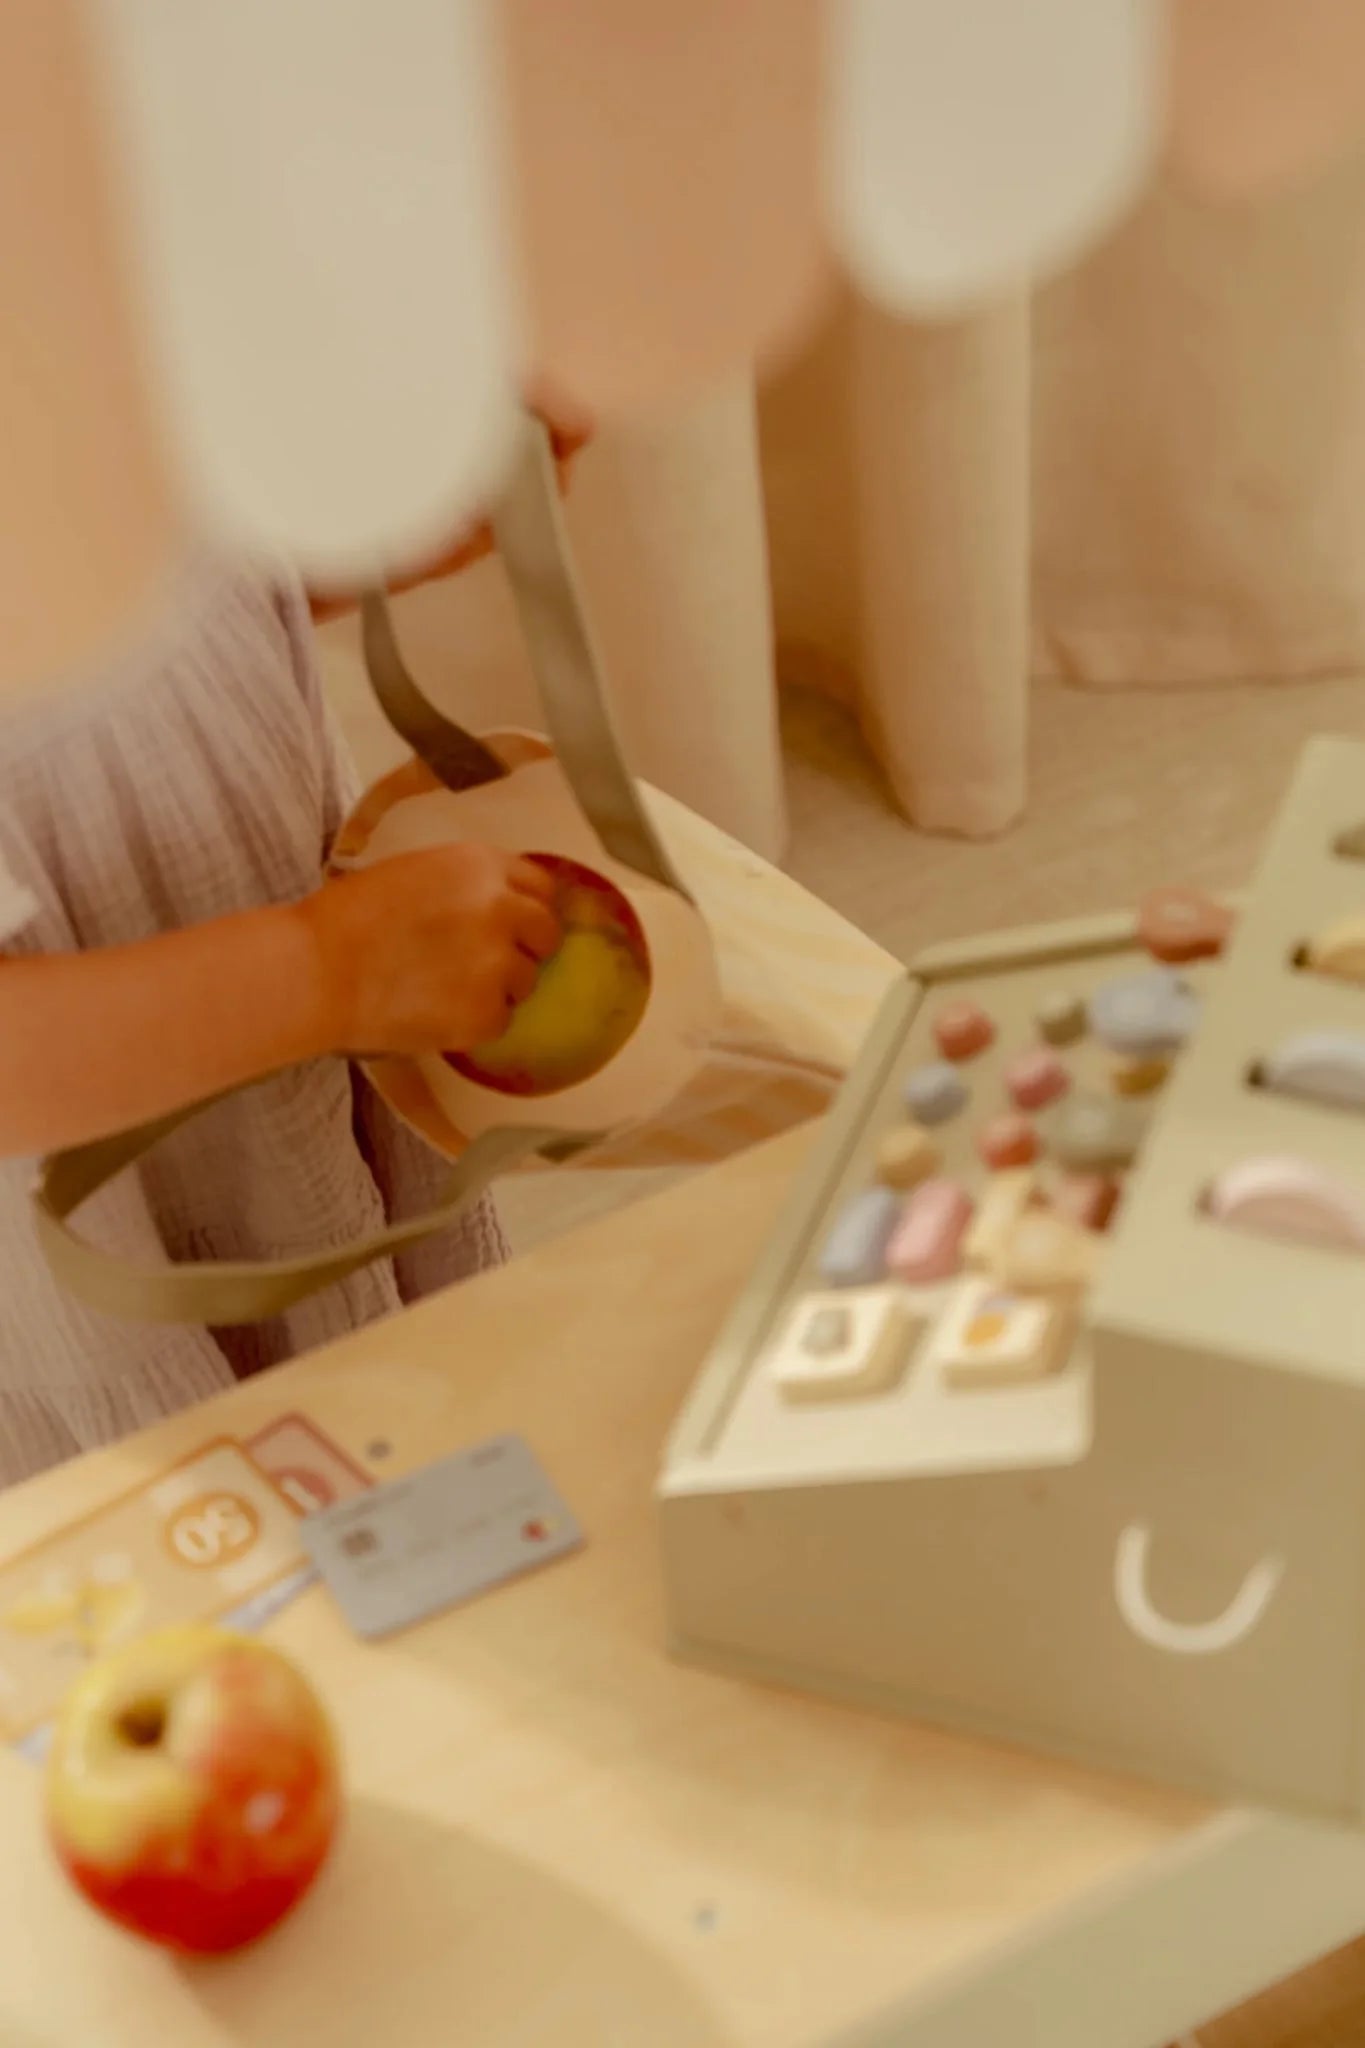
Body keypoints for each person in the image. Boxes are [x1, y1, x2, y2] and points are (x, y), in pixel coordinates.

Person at [0, 414, 586, 1485]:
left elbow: (137, 611)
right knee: (214, 1569)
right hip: (90, 1239)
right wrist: (330, 971)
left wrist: (343, 546)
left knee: (400, 1425)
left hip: (292, 1074)